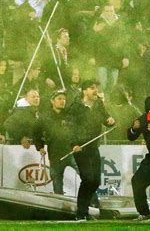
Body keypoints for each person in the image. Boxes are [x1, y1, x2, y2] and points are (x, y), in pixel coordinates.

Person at [67, 79, 115, 221]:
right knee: (87, 179)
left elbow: (105, 118)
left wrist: (110, 121)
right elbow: (69, 127)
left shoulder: (99, 104)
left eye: (97, 88)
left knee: (95, 181)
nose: (96, 90)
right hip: (81, 148)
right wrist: (73, 144)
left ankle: (84, 211)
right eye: (92, 88)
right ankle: (81, 213)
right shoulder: (75, 107)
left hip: (94, 147)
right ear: (84, 90)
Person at [33, 89, 79, 195]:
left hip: (73, 151)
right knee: (57, 181)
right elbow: (36, 133)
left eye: (64, 99)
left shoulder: (70, 115)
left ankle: (92, 200)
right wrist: (40, 147)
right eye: (59, 99)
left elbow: (78, 131)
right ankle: (59, 202)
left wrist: (77, 144)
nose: (62, 101)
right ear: (52, 101)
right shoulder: (45, 117)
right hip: (55, 153)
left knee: (86, 177)